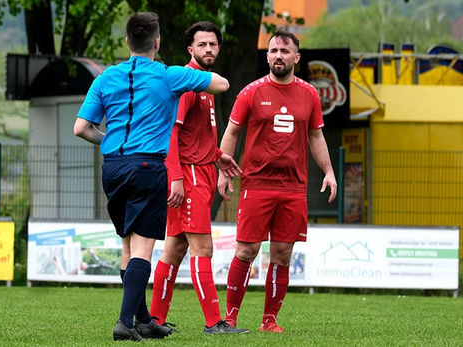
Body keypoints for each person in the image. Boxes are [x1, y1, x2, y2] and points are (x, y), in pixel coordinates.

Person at [73, 12, 233, 341]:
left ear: (128, 42)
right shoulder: (168, 75)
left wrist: (112, 141)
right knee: (144, 249)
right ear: (157, 43)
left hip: (113, 165)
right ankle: (124, 322)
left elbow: (81, 128)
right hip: (147, 166)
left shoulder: (105, 77)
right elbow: (222, 84)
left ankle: (144, 317)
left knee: (127, 246)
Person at [218, 29, 337, 333]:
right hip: (257, 184)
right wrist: (223, 169)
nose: (278, 56)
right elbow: (231, 132)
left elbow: (315, 135)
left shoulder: (309, 93)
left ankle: (269, 321)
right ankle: (230, 317)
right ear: (267, 56)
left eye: (285, 51)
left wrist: (329, 171)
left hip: (293, 188)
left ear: (296, 57)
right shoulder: (251, 92)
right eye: (273, 51)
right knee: (246, 251)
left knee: (283, 253)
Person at [149, 21, 248, 335]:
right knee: (202, 249)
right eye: (202, 44)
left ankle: (155, 320)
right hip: (189, 175)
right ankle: (214, 323)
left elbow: (195, 136)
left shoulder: (204, 85)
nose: (209, 49)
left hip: (201, 170)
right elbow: (171, 135)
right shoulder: (188, 84)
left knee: (174, 249)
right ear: (190, 49)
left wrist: (219, 156)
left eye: (213, 44)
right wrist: (176, 178)